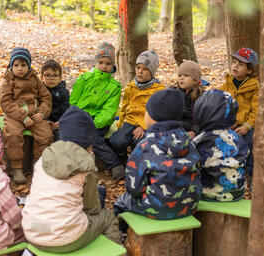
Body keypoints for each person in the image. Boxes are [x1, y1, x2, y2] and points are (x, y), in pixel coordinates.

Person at [22, 106, 127, 256]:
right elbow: (92, 208)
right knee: (107, 217)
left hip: (32, 232)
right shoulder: (86, 163)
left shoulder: (45, 156)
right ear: (88, 142)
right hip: (67, 238)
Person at [114, 89, 201, 220]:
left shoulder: (145, 146)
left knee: (121, 202)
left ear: (153, 117)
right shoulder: (190, 143)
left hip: (155, 208)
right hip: (189, 206)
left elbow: (133, 188)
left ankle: (122, 234)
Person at [0, 47, 53, 184]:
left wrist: (41, 112)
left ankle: (38, 167)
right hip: (15, 115)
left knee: (46, 135)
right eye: (16, 65)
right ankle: (17, 167)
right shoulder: (8, 80)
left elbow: (46, 97)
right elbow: (6, 102)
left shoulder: (34, 79)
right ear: (11, 65)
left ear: (29, 66)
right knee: (14, 134)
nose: (20, 68)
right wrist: (22, 116)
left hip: (34, 114)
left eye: (23, 65)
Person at [108, 50, 165, 179]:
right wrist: (121, 124)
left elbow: (158, 114)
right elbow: (125, 107)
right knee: (117, 141)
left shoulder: (158, 90)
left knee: (140, 142)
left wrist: (145, 127)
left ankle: (136, 166)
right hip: (130, 121)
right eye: (138, 67)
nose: (140, 71)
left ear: (152, 72)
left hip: (146, 123)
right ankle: (123, 160)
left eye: (145, 69)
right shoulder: (131, 86)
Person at [70, 42, 122, 178]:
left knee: (93, 138)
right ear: (95, 63)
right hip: (80, 118)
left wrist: (94, 124)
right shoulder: (83, 79)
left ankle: (115, 165)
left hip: (98, 122)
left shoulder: (114, 86)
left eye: (108, 64)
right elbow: (73, 102)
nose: (104, 66)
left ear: (113, 67)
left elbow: (108, 111)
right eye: (101, 62)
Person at [192, 90, 248, 202]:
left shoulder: (199, 140)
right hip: (237, 193)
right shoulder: (238, 138)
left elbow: (193, 167)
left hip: (208, 194)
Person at [220, 48, 259, 176]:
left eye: (241, 64)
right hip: (228, 124)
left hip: (245, 126)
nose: (235, 66)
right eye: (234, 62)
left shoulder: (254, 87)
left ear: (249, 70)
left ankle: (250, 174)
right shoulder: (227, 83)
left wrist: (248, 126)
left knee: (250, 143)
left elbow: (256, 110)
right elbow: (219, 102)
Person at [171, 60, 205, 138]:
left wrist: (194, 131)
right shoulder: (173, 93)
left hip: (193, 132)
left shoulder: (200, 96)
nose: (181, 78)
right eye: (179, 75)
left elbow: (202, 117)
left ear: (195, 80)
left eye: (186, 75)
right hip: (174, 130)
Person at [40, 59, 70, 141]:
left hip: (58, 122)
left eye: (55, 75)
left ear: (60, 78)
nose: (51, 78)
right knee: (42, 137)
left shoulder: (63, 92)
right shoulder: (39, 91)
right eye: (48, 75)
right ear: (41, 77)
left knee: (61, 136)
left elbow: (66, 109)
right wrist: (45, 122)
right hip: (42, 122)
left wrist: (61, 122)